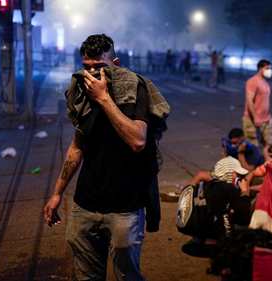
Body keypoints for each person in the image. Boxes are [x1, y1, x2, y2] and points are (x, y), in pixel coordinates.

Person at [43, 34, 169, 281]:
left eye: (99, 67)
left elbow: (138, 140)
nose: (91, 74)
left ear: (116, 63)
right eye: (86, 67)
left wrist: (104, 98)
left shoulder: (135, 89)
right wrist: (57, 193)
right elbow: (77, 147)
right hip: (85, 205)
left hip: (125, 208)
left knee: (127, 275)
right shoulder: (83, 94)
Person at [243, 59, 272, 156]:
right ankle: (254, 167)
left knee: (268, 144)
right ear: (260, 68)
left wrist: (268, 117)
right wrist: (255, 117)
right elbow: (249, 100)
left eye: (270, 68)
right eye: (267, 68)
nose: (269, 71)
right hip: (253, 119)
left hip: (266, 119)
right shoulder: (252, 81)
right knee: (253, 145)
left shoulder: (265, 82)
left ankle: (266, 166)